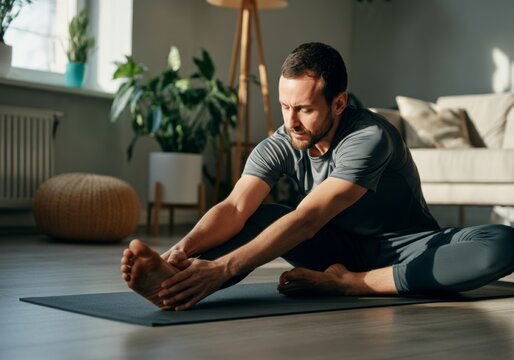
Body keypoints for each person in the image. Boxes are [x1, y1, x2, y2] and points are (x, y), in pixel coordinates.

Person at [121, 42, 514, 311]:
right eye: (284, 106)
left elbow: (308, 219)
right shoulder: (284, 139)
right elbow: (235, 206)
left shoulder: (369, 137)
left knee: (502, 243)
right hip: (336, 249)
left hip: (404, 250)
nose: (290, 122)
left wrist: (225, 266)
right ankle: (174, 284)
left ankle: (350, 283)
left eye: (304, 109)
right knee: (259, 215)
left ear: (339, 102)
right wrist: (183, 250)